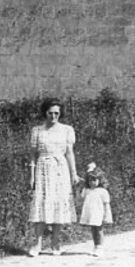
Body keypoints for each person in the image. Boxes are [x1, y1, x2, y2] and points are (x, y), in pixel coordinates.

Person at [26, 98, 79, 255]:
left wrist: (74, 173)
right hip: (43, 169)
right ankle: (37, 244)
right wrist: (31, 176)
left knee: (58, 204)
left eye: (56, 113)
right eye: (50, 113)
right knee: (41, 204)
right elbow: (33, 155)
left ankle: (55, 243)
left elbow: (69, 153)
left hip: (60, 170)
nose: (53, 116)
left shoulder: (67, 130)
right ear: (45, 113)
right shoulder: (37, 131)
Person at [77, 161, 113, 256]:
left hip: (99, 213)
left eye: (95, 180)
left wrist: (106, 215)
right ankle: (96, 245)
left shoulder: (102, 191)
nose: (92, 182)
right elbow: (80, 197)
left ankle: (100, 246)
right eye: (90, 180)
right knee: (93, 229)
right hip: (90, 213)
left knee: (99, 229)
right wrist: (79, 185)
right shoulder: (87, 190)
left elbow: (106, 204)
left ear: (99, 180)